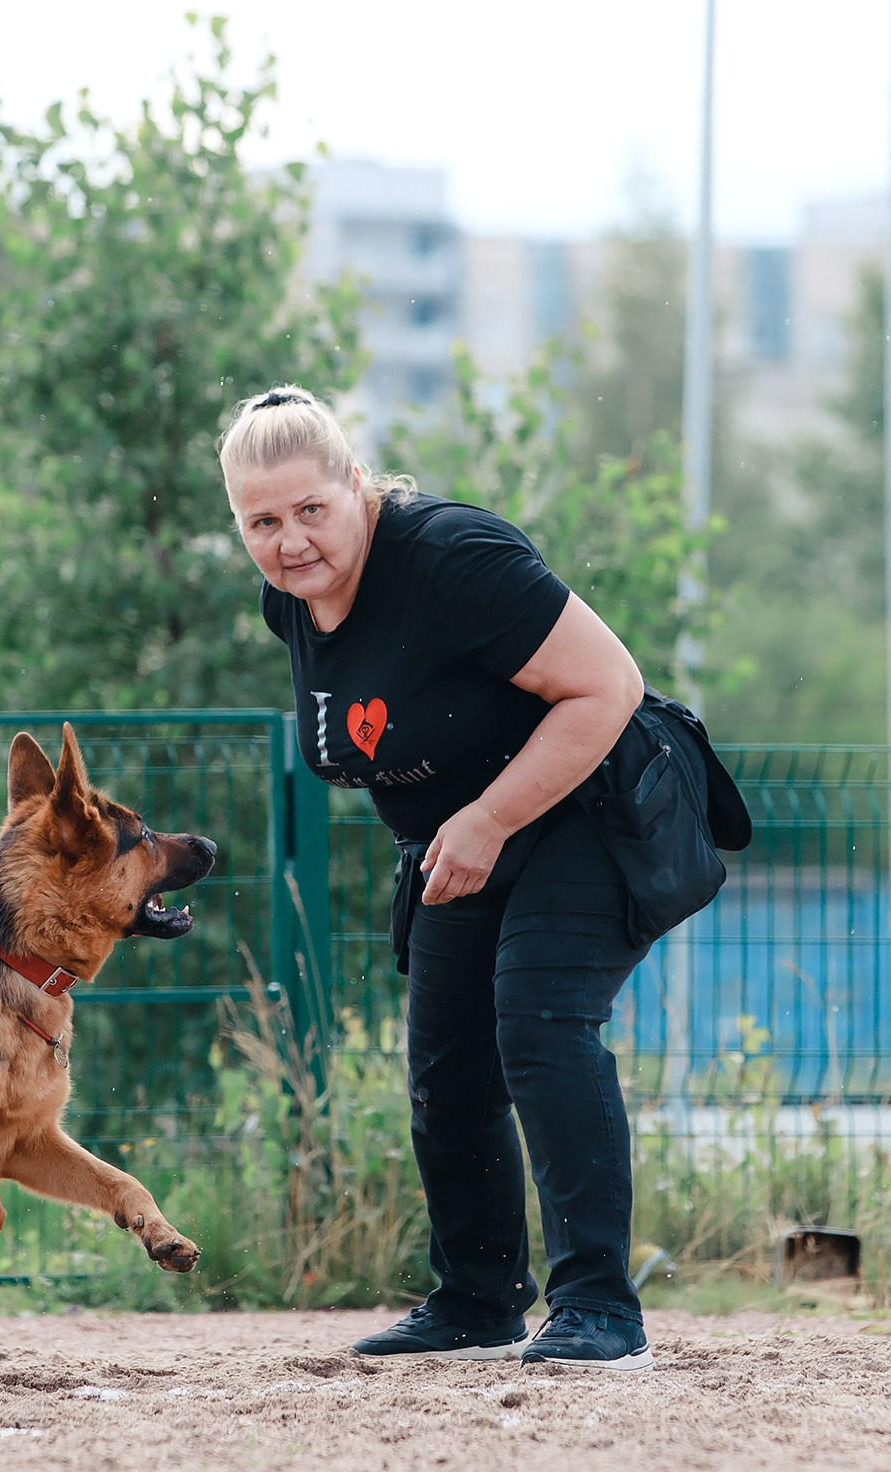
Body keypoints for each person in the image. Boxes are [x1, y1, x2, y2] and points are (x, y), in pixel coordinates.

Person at [221, 386, 661, 1371]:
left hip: (586, 809)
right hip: (462, 842)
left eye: (310, 510)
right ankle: (476, 1301)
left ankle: (599, 1309)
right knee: (447, 1071)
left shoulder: (452, 560)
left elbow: (610, 687)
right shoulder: (286, 603)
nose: (290, 540)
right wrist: (462, 827)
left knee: (539, 1028)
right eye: (261, 521)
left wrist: (490, 817)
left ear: (354, 486)